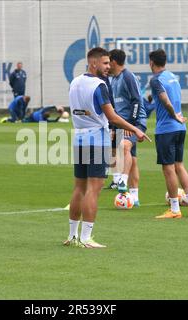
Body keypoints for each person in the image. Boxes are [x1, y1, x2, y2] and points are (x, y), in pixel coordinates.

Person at [65, 47, 151, 248]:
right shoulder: (99, 85)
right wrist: (136, 129)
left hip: (79, 138)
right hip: (96, 140)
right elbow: (112, 116)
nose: (108, 66)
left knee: (79, 187)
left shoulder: (75, 82)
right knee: (93, 190)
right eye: (105, 63)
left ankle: (72, 235)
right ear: (93, 63)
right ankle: (86, 238)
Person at [148, 48, 188, 219]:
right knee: (180, 165)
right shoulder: (172, 77)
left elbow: (165, 100)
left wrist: (173, 114)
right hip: (180, 129)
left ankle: (175, 209)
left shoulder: (156, 80)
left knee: (168, 168)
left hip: (166, 128)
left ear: (151, 63)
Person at [108, 49, 148, 206]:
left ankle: (121, 181)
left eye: (107, 62)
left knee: (124, 146)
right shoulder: (114, 80)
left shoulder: (128, 76)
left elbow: (137, 101)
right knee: (132, 160)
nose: (106, 66)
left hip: (135, 122)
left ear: (114, 62)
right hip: (121, 123)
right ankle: (134, 197)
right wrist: (113, 126)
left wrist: (131, 125)